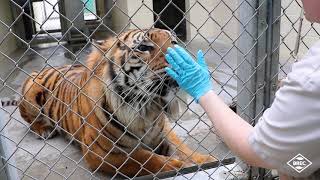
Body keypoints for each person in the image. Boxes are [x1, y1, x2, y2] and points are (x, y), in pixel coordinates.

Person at [164, 0, 320, 179]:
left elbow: (256, 148)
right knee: (296, 164)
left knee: (292, 166)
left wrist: (203, 91)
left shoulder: (312, 77)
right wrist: (291, 165)